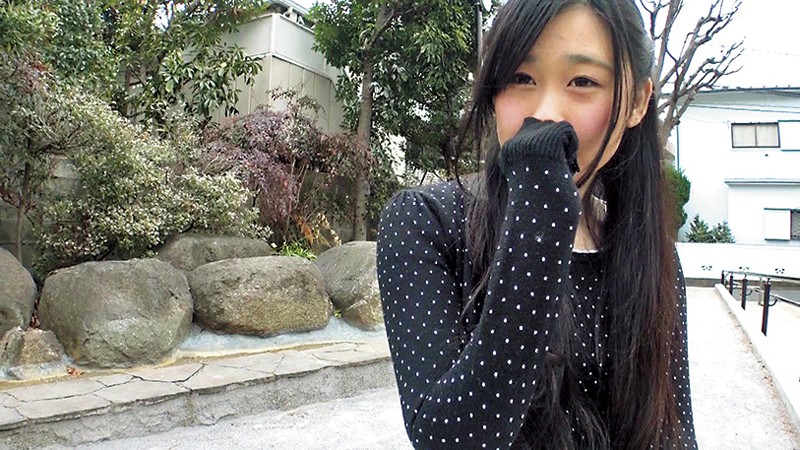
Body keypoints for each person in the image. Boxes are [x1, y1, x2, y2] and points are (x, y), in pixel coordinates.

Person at [376, 0, 697, 449]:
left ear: (637, 103)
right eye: (521, 78)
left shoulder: (653, 258)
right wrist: (542, 217)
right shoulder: (426, 221)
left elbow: (673, 433)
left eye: (582, 81)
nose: (545, 113)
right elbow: (449, 438)